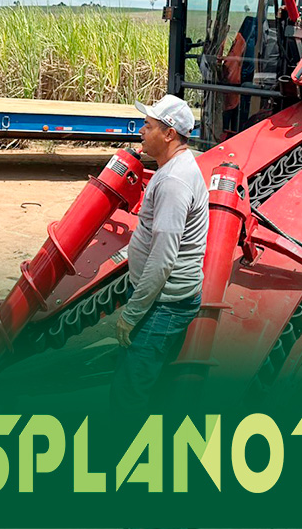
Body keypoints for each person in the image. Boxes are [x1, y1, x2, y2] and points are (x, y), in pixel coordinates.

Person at [111, 94, 209, 413]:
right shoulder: (176, 168)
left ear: (168, 134)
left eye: (148, 125)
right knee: (150, 387)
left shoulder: (173, 182)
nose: (141, 130)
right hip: (163, 301)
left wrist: (132, 314)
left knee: (129, 394)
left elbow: (163, 257)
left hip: (162, 306)